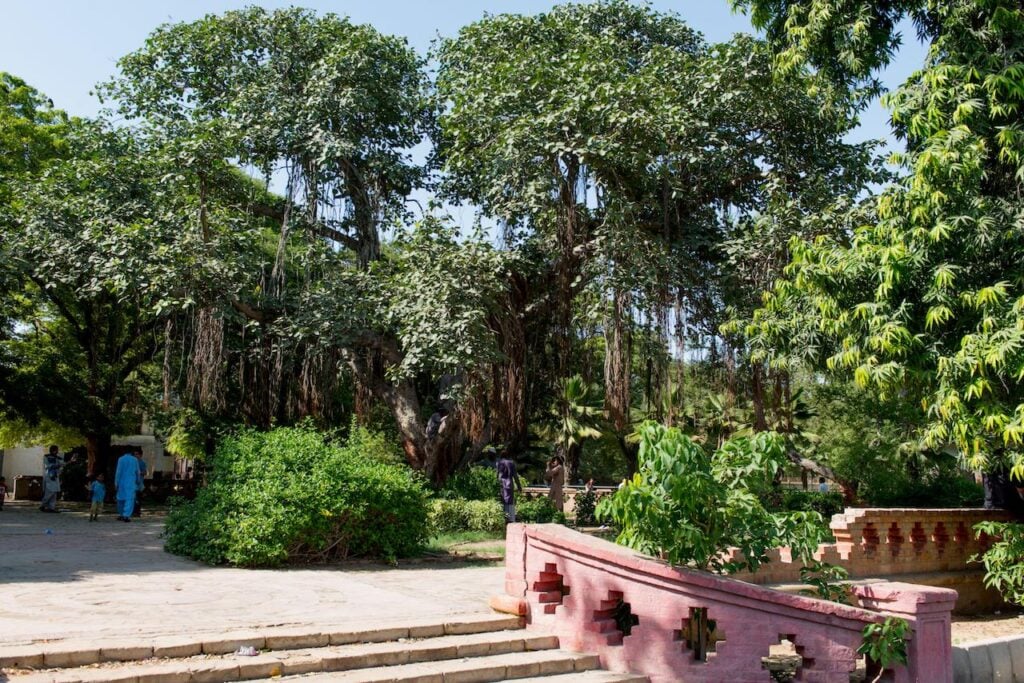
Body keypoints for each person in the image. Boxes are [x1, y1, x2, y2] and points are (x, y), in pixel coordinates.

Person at [496, 450, 522, 523]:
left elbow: (497, 475)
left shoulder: (499, 463)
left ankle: (504, 518)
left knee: (503, 501)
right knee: (510, 501)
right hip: (509, 483)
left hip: (501, 484)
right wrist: (519, 486)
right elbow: (515, 476)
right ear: (508, 456)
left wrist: (496, 483)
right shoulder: (511, 463)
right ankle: (511, 519)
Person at [115, 448, 141, 522]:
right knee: (130, 499)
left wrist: (116, 483)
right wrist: (138, 480)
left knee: (120, 499)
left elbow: (118, 472)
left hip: (121, 482)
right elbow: (137, 472)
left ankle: (121, 514)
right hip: (131, 482)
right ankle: (126, 515)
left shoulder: (120, 459)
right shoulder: (134, 460)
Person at [40, 445, 64, 513]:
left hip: (55, 476)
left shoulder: (58, 458)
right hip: (49, 476)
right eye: (55, 450)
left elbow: (62, 465)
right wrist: (57, 465)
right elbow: (47, 466)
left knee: (54, 493)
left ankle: (51, 507)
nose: (56, 451)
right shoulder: (46, 457)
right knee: (50, 492)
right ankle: (43, 505)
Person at [133, 447, 147, 518]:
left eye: (137, 454)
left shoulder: (142, 463)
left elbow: (145, 472)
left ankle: (137, 512)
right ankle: (133, 511)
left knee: (138, 499)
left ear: (140, 455)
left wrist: (138, 473)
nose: (135, 456)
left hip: (139, 483)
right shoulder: (132, 462)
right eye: (134, 454)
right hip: (132, 483)